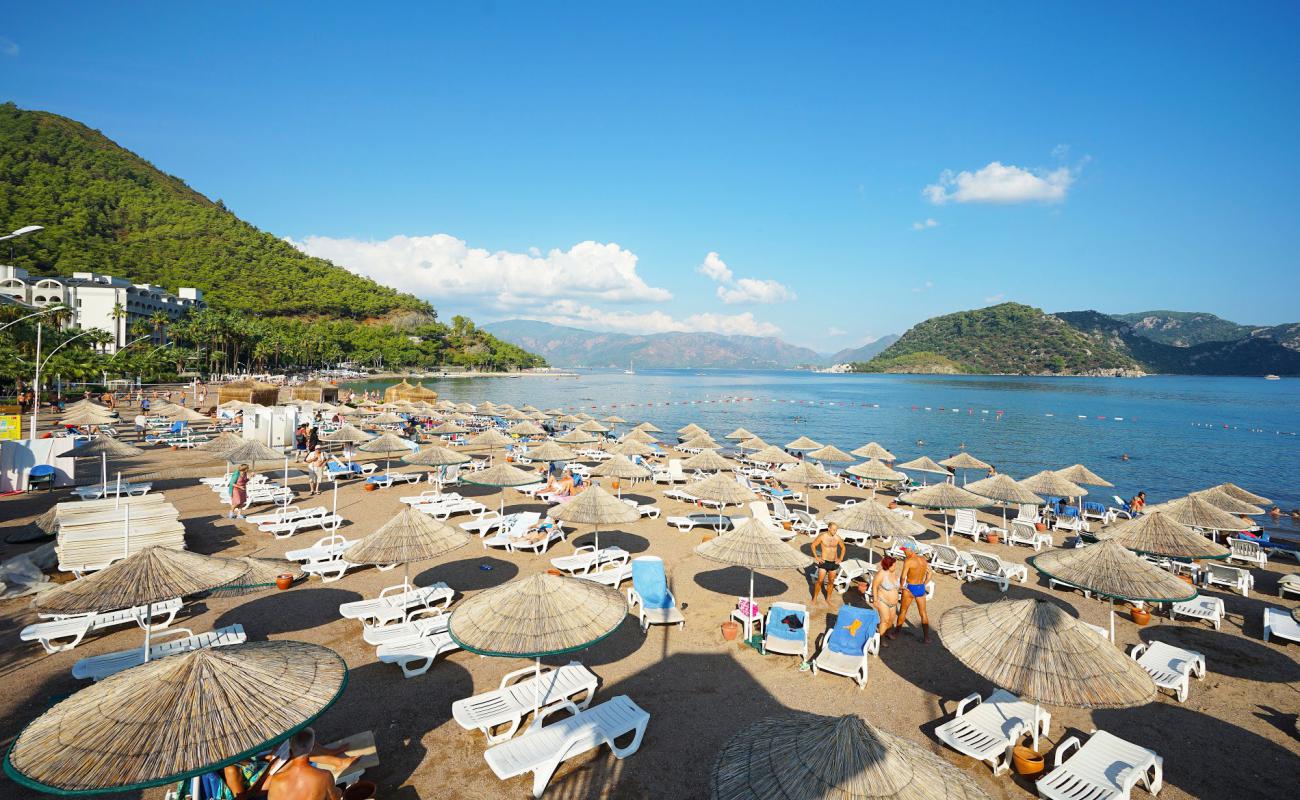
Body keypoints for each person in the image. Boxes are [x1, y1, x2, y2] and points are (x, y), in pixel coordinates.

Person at [265, 729, 346, 800]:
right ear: (312, 747)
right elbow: (334, 798)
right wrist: (339, 790)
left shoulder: (276, 780)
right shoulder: (325, 776)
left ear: (291, 748)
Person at [894, 544, 933, 642]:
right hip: (920, 588)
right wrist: (925, 583)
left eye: (904, 550)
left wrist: (901, 586)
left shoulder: (908, 561)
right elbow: (929, 574)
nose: (903, 552)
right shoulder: (923, 559)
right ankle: (927, 638)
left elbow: (903, 576)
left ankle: (896, 634)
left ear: (910, 550)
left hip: (910, 587)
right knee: (923, 613)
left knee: (903, 611)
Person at [809, 522, 846, 605]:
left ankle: (828, 599)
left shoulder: (837, 538)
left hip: (834, 563)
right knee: (820, 581)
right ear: (828, 528)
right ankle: (815, 597)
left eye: (836, 530)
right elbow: (813, 545)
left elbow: (843, 548)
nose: (835, 531)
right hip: (824, 562)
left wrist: (841, 558)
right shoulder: (822, 536)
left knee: (831, 581)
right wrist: (817, 557)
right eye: (833, 530)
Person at [871, 555, 903, 641]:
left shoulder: (893, 572)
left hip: (893, 604)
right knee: (884, 621)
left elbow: (895, 585)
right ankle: (882, 639)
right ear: (888, 565)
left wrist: (902, 587)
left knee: (891, 620)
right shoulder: (881, 574)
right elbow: (874, 586)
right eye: (893, 565)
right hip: (883, 601)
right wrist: (875, 600)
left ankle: (888, 633)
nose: (895, 567)